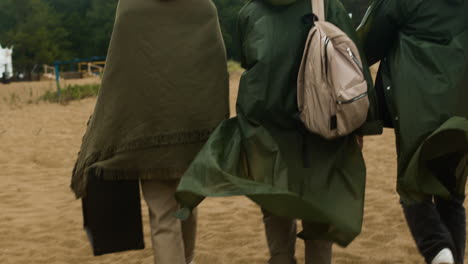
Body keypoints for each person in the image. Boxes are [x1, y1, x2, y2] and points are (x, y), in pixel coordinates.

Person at [176, 0, 382, 263]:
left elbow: (247, 60)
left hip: (265, 129)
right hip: (321, 125)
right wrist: (362, 125)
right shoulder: (328, 5)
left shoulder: (249, 13)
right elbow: (354, 63)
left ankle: (281, 257)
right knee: (319, 209)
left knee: (275, 205)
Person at [70, 0, 229, 263]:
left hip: (145, 129)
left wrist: (106, 126)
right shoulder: (203, 7)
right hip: (195, 127)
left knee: (164, 215)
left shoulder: (131, 7)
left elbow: (119, 76)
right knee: (186, 205)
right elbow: (215, 70)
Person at [358, 0, 468, 263]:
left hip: (414, 107)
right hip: (460, 108)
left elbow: (368, 44)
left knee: (412, 188)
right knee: (451, 193)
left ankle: (438, 249)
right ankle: (451, 256)